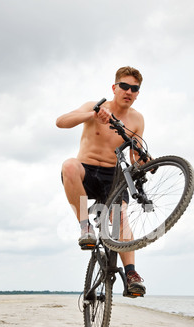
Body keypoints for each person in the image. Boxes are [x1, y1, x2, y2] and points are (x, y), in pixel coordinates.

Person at [56, 66, 145, 296]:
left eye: (134, 89)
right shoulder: (95, 106)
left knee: (120, 216)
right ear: (114, 88)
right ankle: (85, 227)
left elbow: (136, 158)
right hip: (85, 171)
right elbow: (61, 121)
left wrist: (144, 160)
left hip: (112, 176)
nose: (129, 91)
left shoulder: (136, 120)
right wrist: (92, 115)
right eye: (124, 86)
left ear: (137, 93)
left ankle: (132, 274)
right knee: (69, 165)